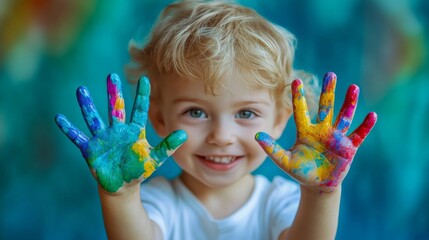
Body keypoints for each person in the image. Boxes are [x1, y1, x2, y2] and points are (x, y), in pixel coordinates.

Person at [55, 0, 377, 239]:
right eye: (196, 112)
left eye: (246, 113)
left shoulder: (279, 202)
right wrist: (121, 196)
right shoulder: (158, 202)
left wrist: (322, 194)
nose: (221, 135)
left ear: (281, 120)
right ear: (158, 119)